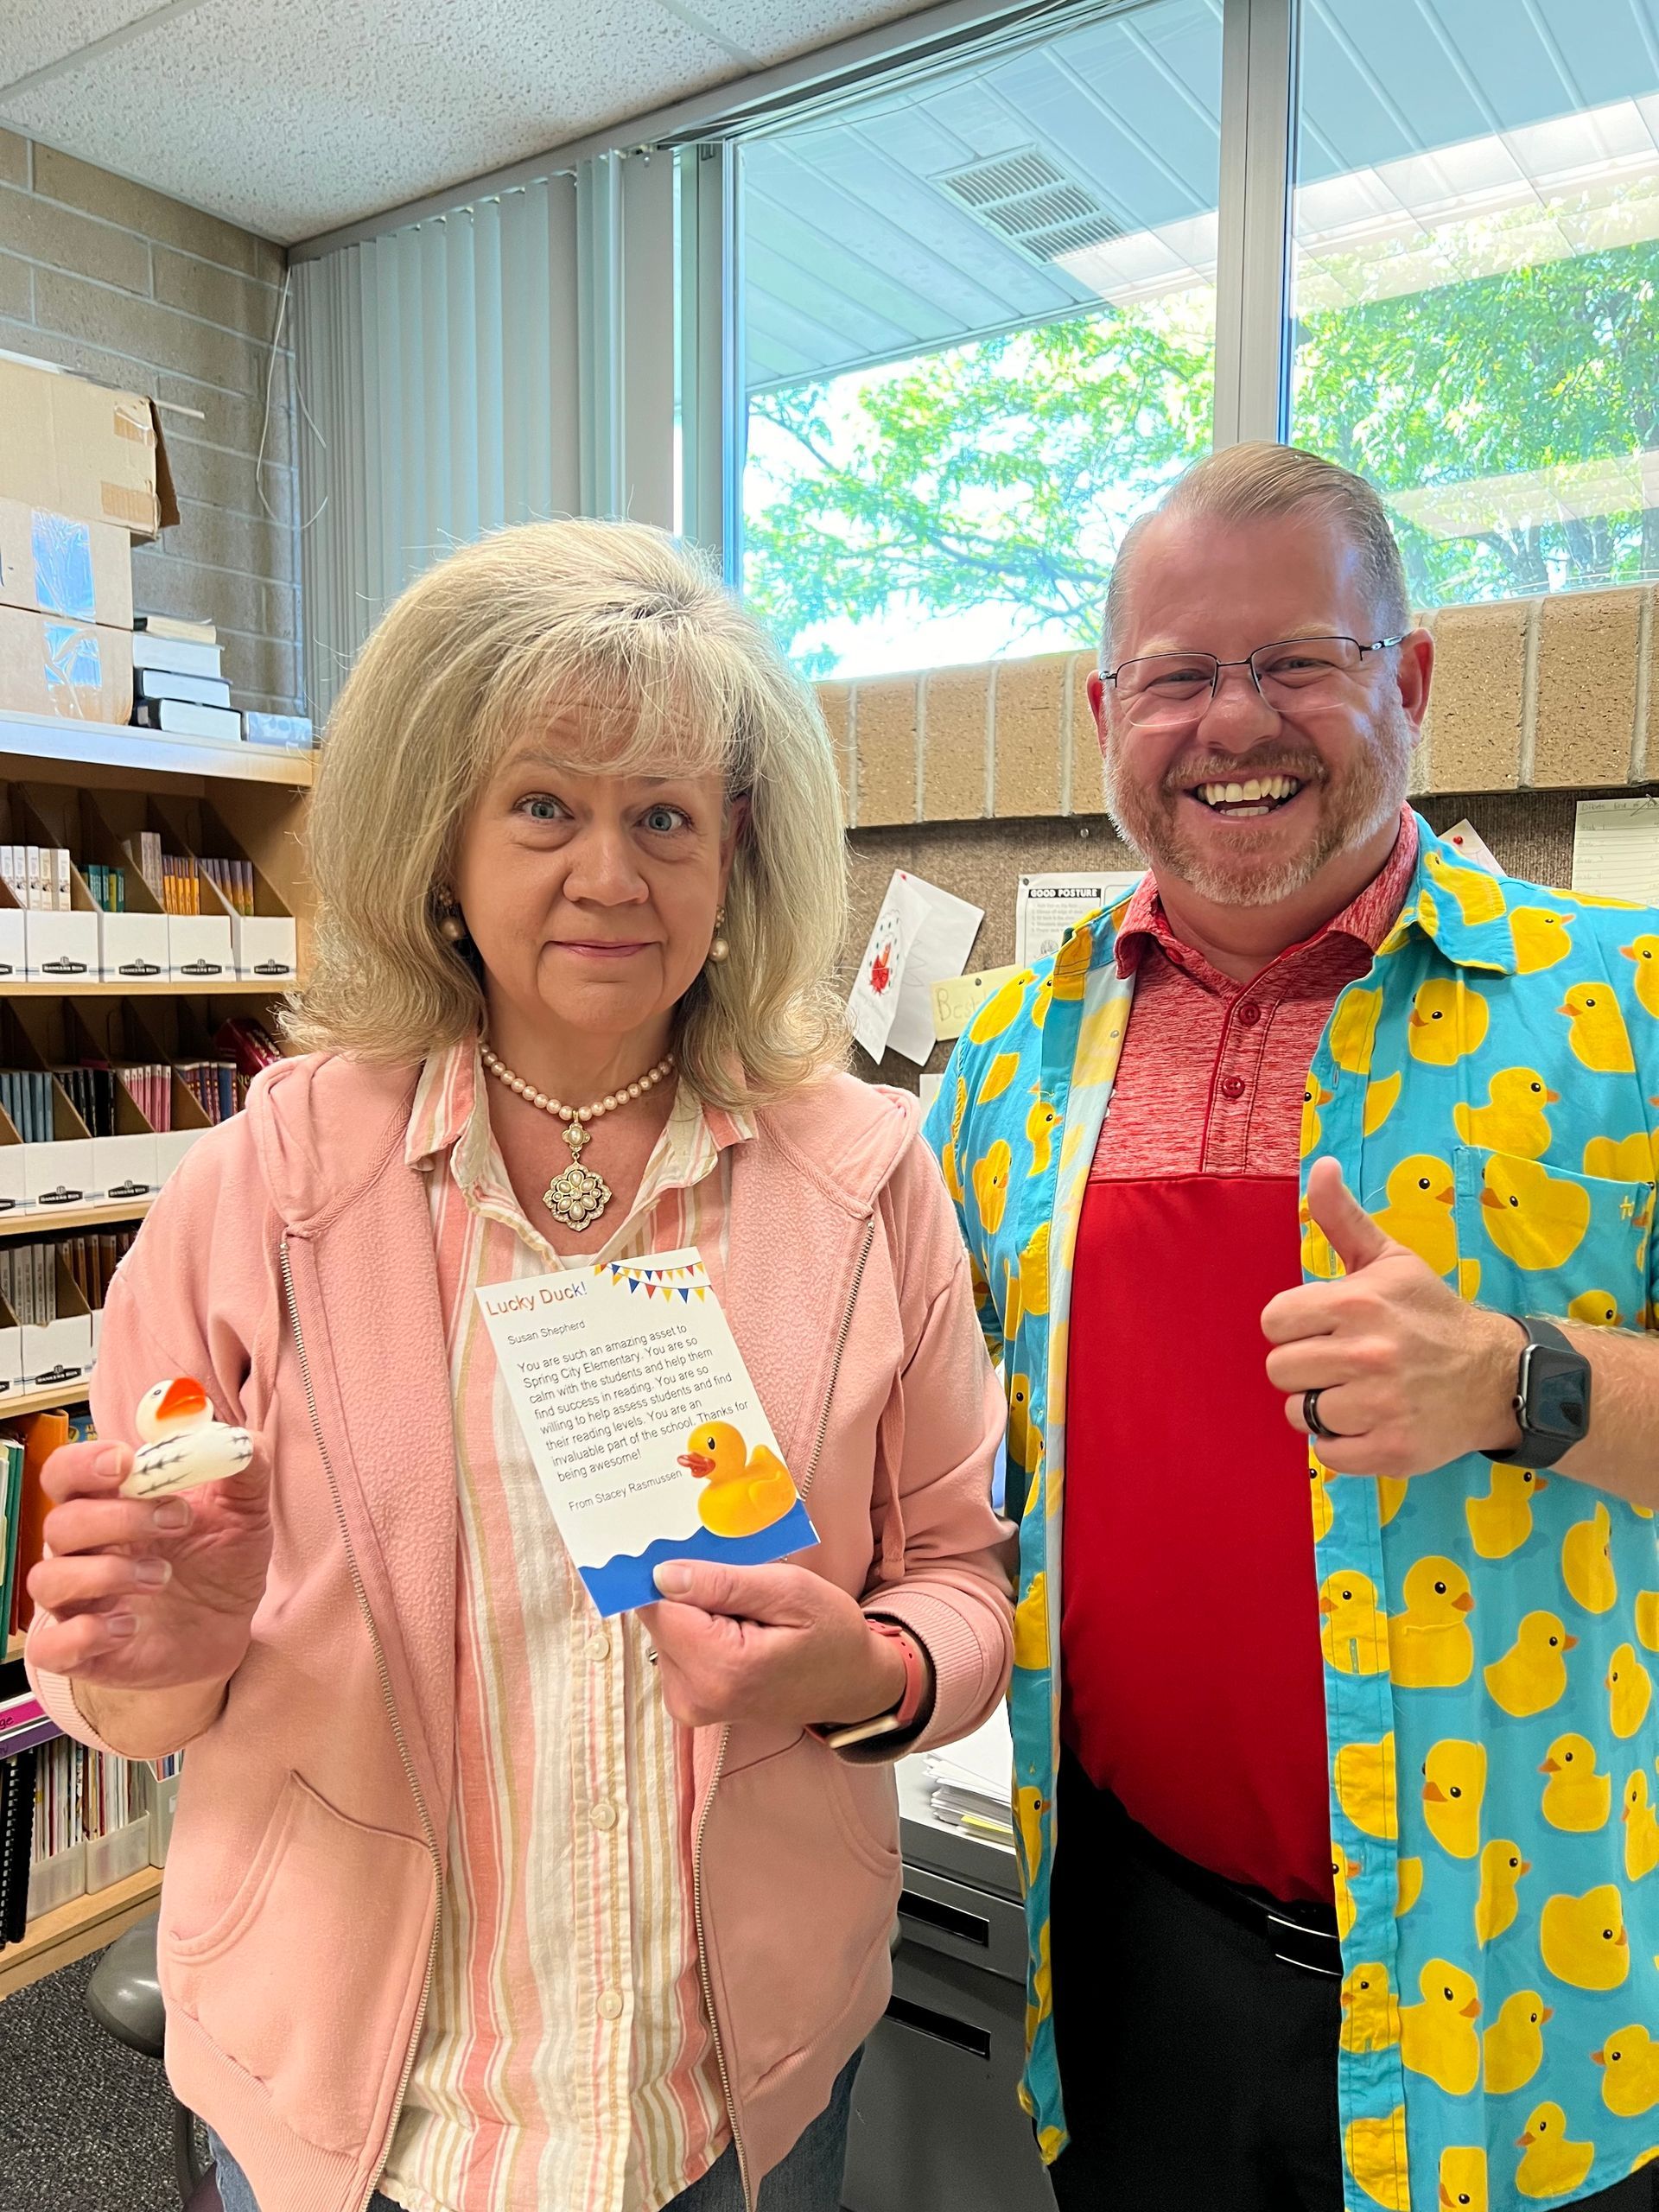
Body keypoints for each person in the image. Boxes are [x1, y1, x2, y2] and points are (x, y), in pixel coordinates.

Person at [25, 519, 1014, 2212]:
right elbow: (120, 1670)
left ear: (737, 847)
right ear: (447, 840)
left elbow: (958, 1579)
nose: (612, 873)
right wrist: (148, 1654)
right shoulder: (262, 1193)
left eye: (666, 815)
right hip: (370, 2097)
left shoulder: (864, 1181)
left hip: (726, 2084)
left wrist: (868, 1671)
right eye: (546, 803)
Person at [929, 443, 1659, 2212]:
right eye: (1179, 675)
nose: (1233, 723)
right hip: (1135, 1939)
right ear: (1111, 710)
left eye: (1298, 662)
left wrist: (1520, 1376)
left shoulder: (1619, 1010)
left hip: (1523, 1980)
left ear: (1405, 680)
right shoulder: (1007, 1058)